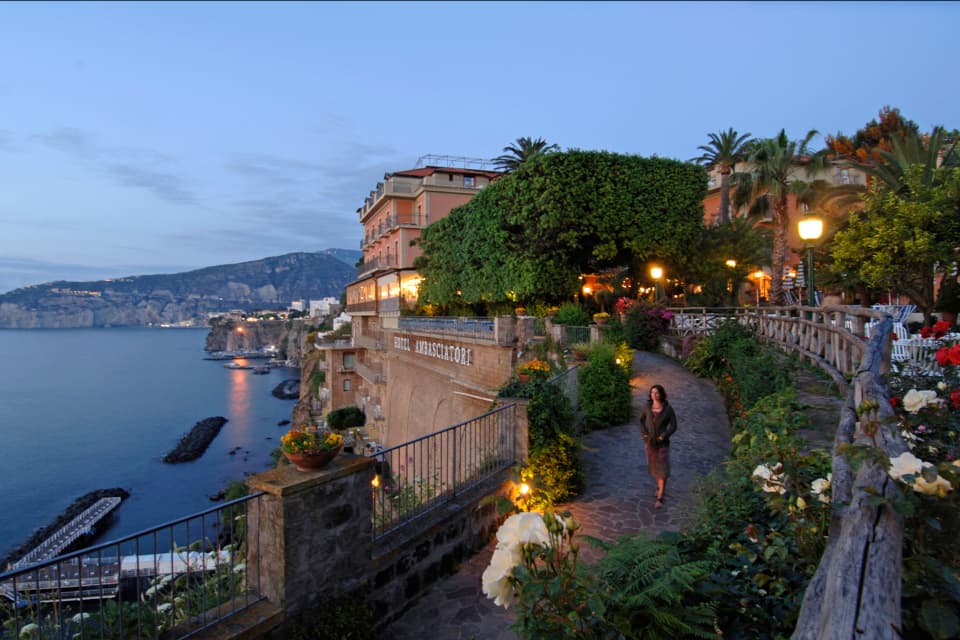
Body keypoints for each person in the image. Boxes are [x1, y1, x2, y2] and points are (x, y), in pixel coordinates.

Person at [639, 384, 677, 508]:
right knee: (655, 467)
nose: (654, 395)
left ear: (661, 394)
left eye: (656, 392)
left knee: (663, 468)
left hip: (662, 444)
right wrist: (644, 434)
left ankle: (660, 496)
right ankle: (659, 486)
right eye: (652, 392)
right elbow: (640, 421)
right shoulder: (647, 407)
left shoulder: (667, 409)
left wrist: (664, 435)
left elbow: (673, 426)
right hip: (650, 443)